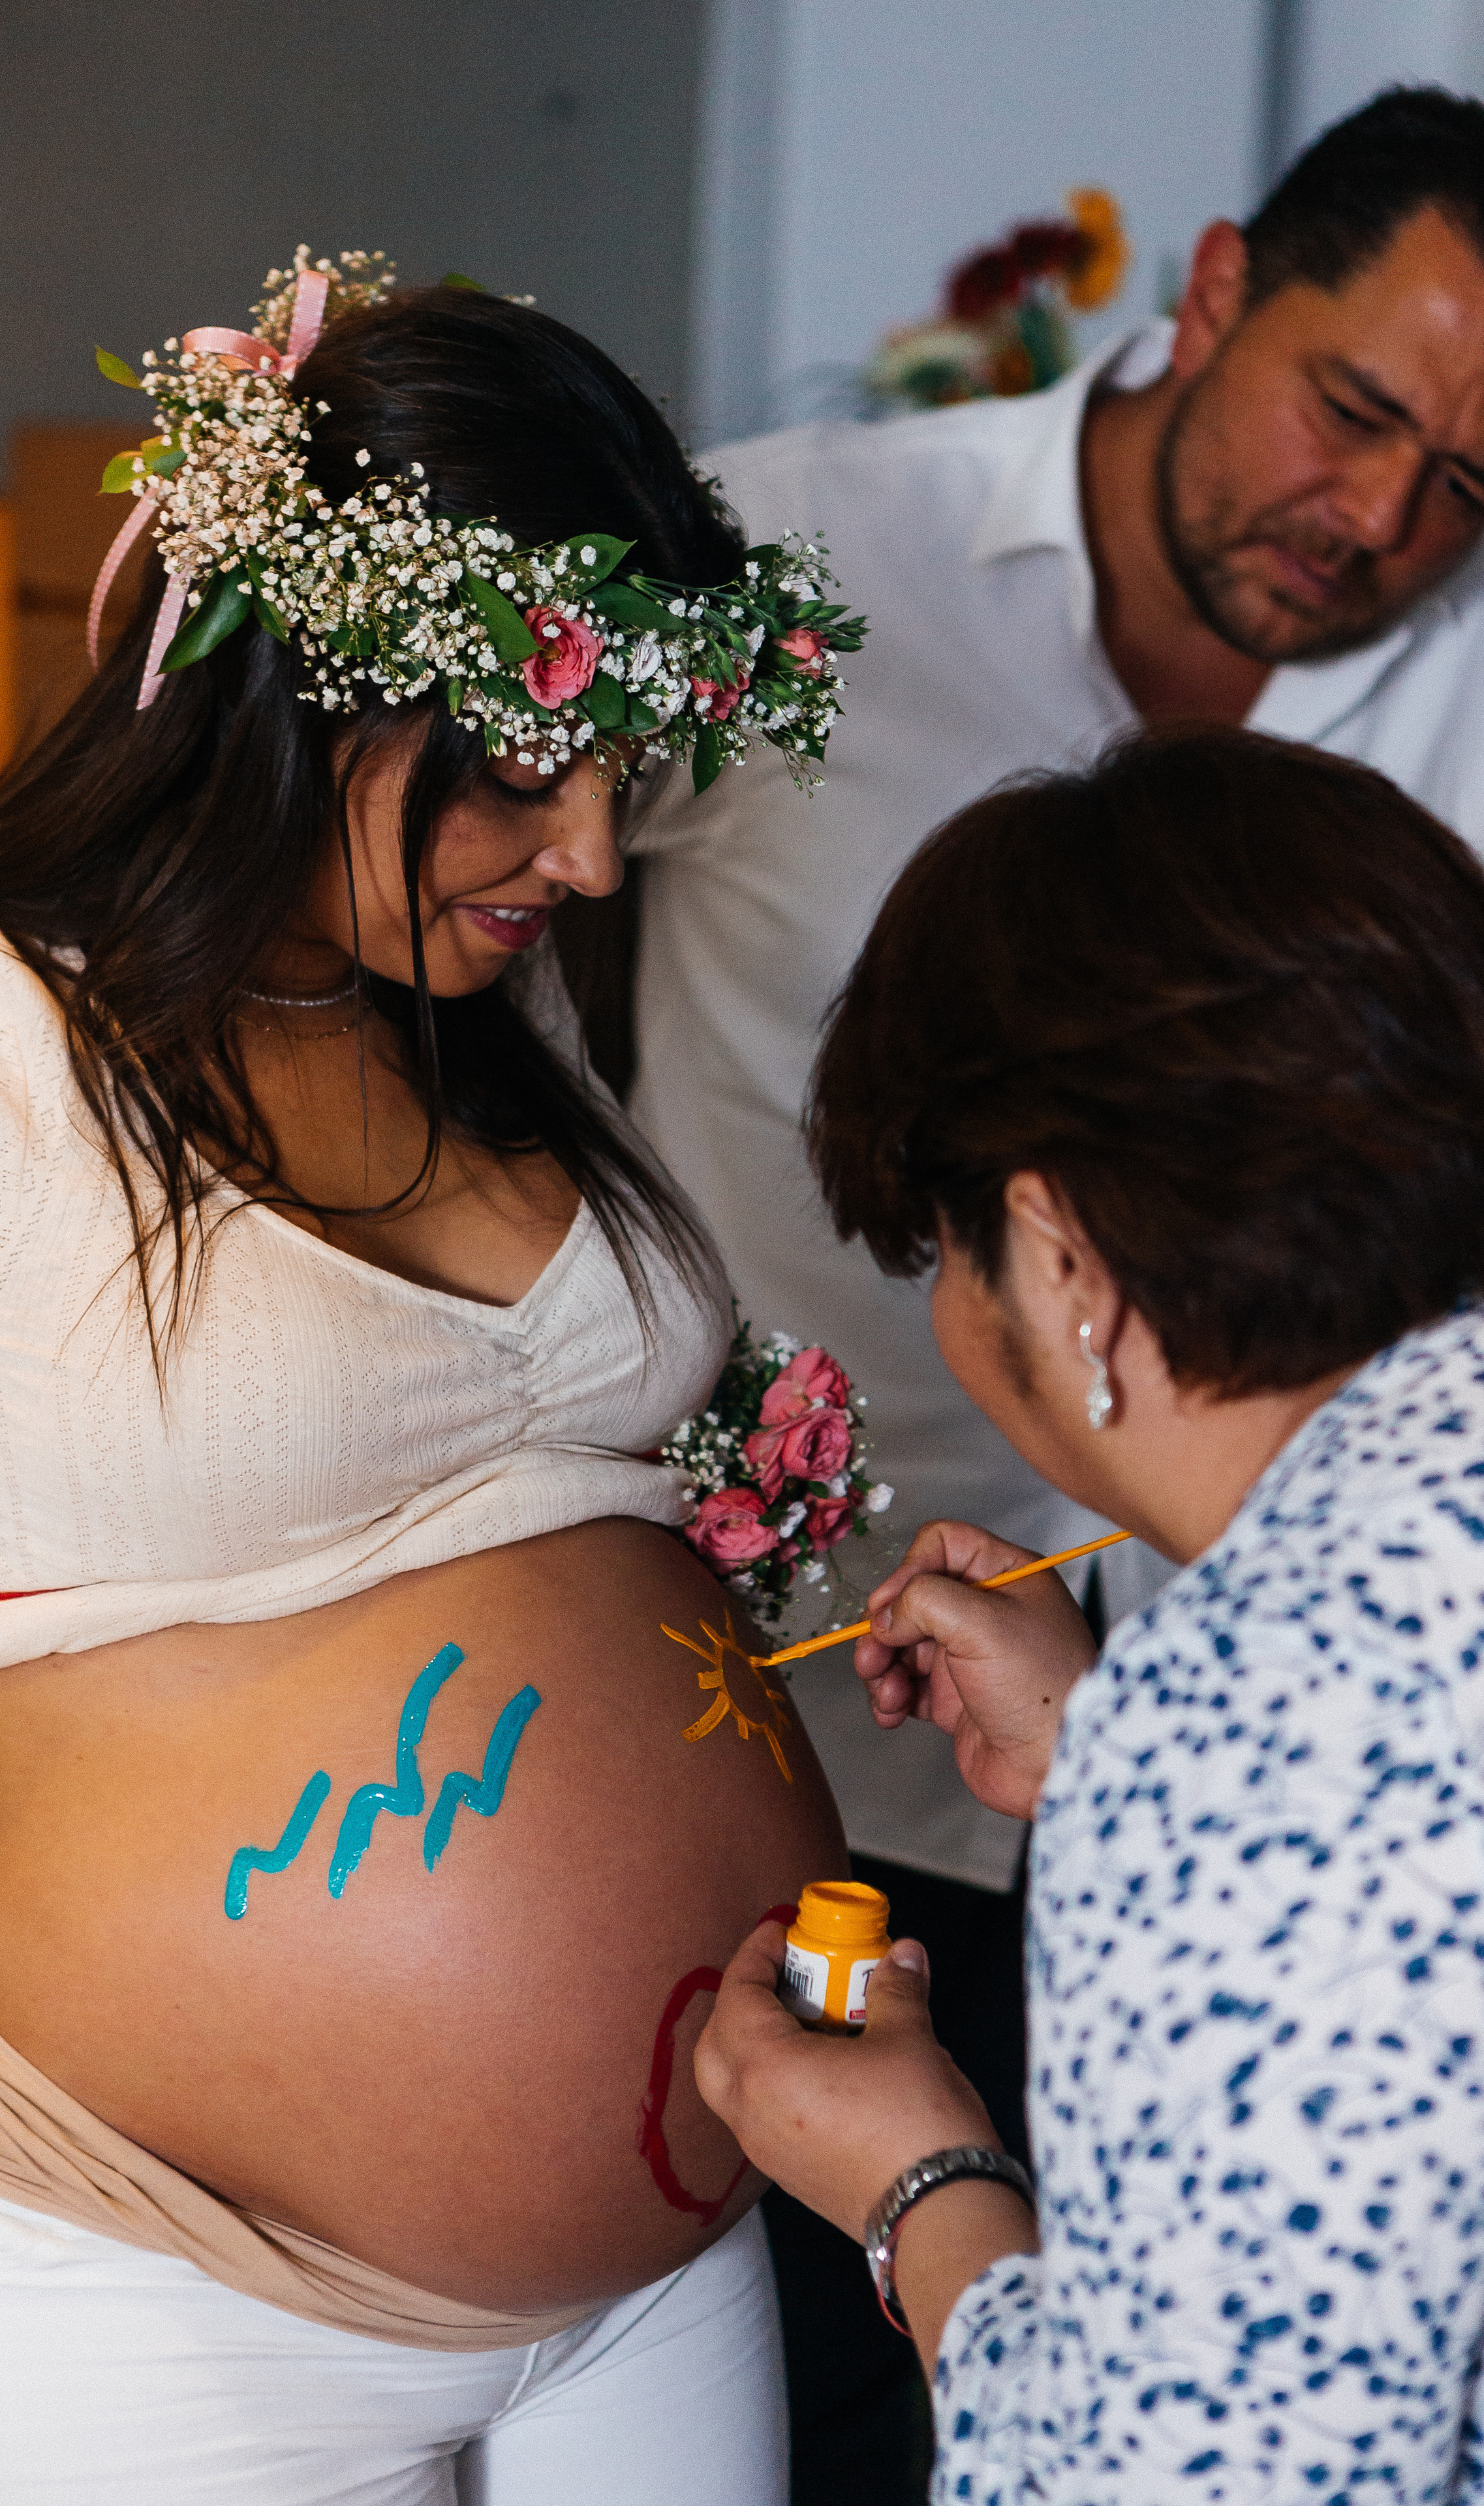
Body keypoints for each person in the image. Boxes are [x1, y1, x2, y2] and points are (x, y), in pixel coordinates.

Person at [625, 90, 1484, 2060]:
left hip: (1269, 1719)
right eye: (1351, 411)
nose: (1382, 522)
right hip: (786, 1683)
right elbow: (487, 891)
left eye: (1469, 483)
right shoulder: (794, 547)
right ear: (1214, 296)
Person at [0, 253, 857, 2503]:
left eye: (622, 777)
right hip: (153, 2267)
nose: (590, 856)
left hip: (662, 2256)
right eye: (525, 770)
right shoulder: (15, 1049)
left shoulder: (478, 1001)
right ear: (301, 692)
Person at [697, 727, 1484, 2501]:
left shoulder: (1259, 1720)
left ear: (1063, 1258)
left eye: (949, 1260)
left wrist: (921, 2186)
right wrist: (1118, 1754)